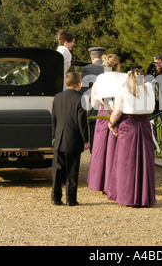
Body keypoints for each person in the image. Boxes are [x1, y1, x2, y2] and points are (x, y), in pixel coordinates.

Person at [106, 69, 156, 207]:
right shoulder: (149, 89)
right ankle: (145, 197)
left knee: (126, 162)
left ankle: (126, 196)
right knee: (145, 160)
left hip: (129, 126)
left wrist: (110, 124)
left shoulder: (123, 90)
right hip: (144, 125)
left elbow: (117, 111)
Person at [87, 54, 127, 193]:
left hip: (104, 112)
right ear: (118, 65)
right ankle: (117, 183)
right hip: (121, 113)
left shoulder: (100, 78)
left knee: (101, 148)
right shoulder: (125, 77)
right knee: (118, 148)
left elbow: (94, 102)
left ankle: (101, 182)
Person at [51, 72, 90, 206]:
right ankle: (71, 199)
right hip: (73, 139)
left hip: (59, 138)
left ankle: (55, 198)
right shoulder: (81, 99)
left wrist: (54, 136)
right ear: (79, 84)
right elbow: (82, 123)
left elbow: (54, 119)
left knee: (57, 170)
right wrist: (86, 139)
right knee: (72, 171)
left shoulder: (57, 97)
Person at [80, 47, 106, 153]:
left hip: (94, 108)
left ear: (92, 57)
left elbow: (83, 91)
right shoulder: (110, 67)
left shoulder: (87, 69)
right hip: (111, 108)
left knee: (95, 139)